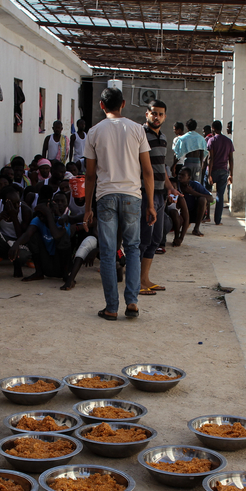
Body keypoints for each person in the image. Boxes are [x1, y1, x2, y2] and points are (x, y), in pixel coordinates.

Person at [83, 87, 155, 320]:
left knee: (107, 252)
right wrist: (151, 204)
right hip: (132, 197)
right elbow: (147, 171)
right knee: (133, 249)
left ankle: (111, 307)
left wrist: (87, 208)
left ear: (102, 106)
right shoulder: (137, 129)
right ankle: (132, 302)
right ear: (123, 104)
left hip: (105, 197)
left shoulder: (94, 132)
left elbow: (90, 175)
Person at [139, 99, 174, 295]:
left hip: (161, 193)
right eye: (154, 113)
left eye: (161, 114)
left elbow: (161, 168)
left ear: (165, 117)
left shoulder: (164, 138)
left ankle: (145, 279)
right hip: (146, 194)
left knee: (156, 238)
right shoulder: (141, 135)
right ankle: (137, 283)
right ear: (147, 114)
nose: (157, 117)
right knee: (144, 238)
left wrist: (170, 187)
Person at [0, 185, 33, 282]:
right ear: (4, 202)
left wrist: (14, 218)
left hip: (19, 244)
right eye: (14, 203)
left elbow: (23, 236)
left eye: (18, 202)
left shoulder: (25, 210)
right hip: (2, 242)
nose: (17, 205)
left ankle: (17, 266)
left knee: (23, 255)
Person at [205, 119, 234, 225]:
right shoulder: (228, 141)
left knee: (206, 193)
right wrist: (231, 174)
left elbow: (210, 158)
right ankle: (218, 220)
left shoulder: (211, 140)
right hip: (224, 171)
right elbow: (231, 159)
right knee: (220, 196)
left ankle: (205, 216)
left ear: (213, 129)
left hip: (213, 171)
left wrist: (209, 175)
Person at [176, 166, 211, 238]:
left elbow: (211, 199)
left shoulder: (195, 185)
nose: (180, 176)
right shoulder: (175, 185)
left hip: (194, 213)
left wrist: (193, 192)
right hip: (180, 213)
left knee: (203, 199)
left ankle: (196, 228)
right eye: (179, 174)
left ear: (188, 177)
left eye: (183, 175)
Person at [177, 118, 208, 184]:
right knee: (197, 183)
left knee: (186, 182)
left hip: (188, 162)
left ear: (187, 127)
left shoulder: (183, 138)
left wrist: (174, 165)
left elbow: (179, 153)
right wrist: (201, 164)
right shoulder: (201, 138)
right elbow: (202, 152)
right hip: (197, 163)